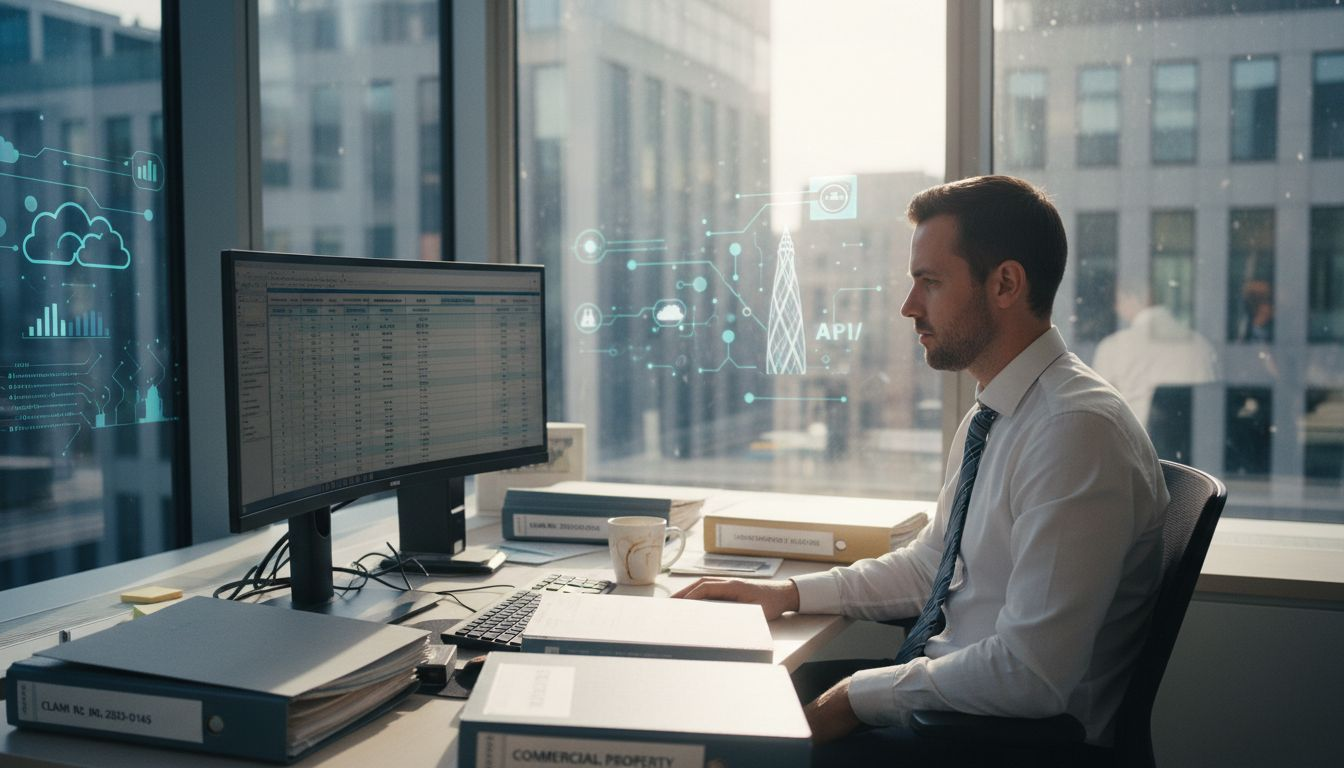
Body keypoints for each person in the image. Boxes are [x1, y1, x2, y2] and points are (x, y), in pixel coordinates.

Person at [674, 175, 1169, 763]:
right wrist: (787, 594)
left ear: (1005, 283)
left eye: (930, 283)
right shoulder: (1001, 409)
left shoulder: (1074, 430)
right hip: (954, 702)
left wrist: (855, 698)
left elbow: (1031, 675)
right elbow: (932, 565)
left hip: (1007, 742)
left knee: (721, 748)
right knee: (719, 702)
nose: (909, 306)